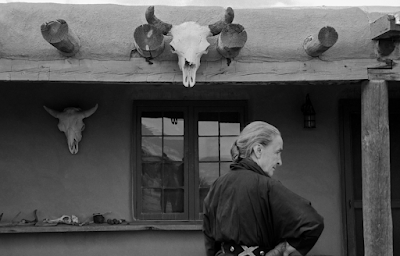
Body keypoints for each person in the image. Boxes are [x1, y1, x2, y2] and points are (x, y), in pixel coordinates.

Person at [203, 121, 324, 256]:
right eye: (277, 152)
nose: (279, 161)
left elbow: (210, 241)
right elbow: (313, 223)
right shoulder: (268, 187)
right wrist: (280, 250)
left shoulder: (217, 185)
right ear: (258, 150)